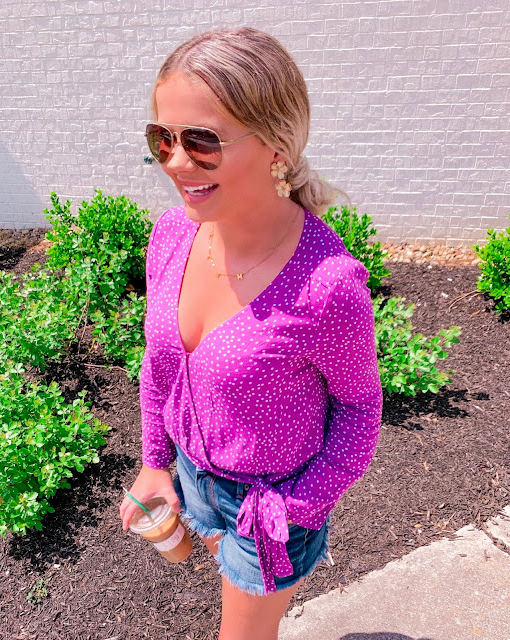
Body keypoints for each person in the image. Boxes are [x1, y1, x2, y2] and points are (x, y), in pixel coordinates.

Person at [119, 26, 382, 640]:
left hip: (270, 508)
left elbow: (360, 409)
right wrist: (156, 463)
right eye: (163, 138)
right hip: (195, 481)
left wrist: (295, 509)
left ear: (276, 145)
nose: (176, 162)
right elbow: (162, 366)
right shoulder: (172, 236)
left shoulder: (327, 285)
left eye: (201, 140)